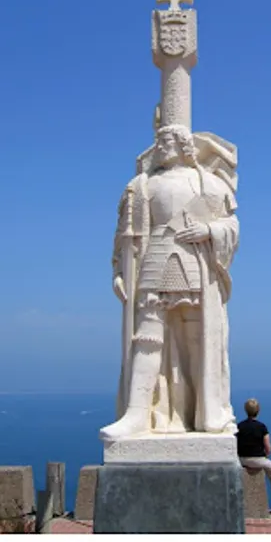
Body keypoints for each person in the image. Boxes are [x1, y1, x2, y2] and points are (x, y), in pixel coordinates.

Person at [100, 123, 239, 440]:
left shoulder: (208, 184)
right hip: (154, 260)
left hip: (194, 264)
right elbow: (126, 235)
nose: (160, 147)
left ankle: (202, 409)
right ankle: (137, 413)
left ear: (183, 145)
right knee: (146, 338)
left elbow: (231, 223)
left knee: (196, 338)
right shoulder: (143, 186)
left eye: (167, 142)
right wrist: (119, 271)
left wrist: (209, 231)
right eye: (159, 142)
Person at [236, 398, 271, 513]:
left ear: (246, 410)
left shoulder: (239, 426)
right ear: (258, 410)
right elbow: (268, 448)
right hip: (258, 459)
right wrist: (265, 456)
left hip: (241, 459)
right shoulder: (262, 427)